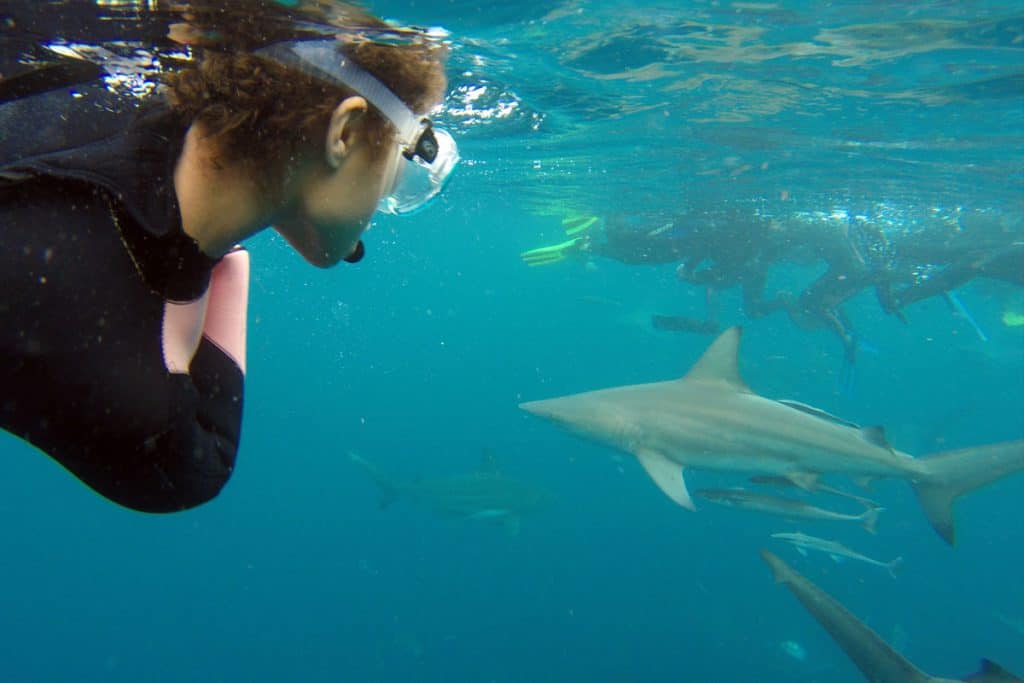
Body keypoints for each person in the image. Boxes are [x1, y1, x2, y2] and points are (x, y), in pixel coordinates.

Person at [0, 1, 458, 512]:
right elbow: (197, 463)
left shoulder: (110, 109)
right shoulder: (138, 404)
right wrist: (201, 272)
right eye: (402, 163)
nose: (384, 204)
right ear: (343, 134)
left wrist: (198, 262)